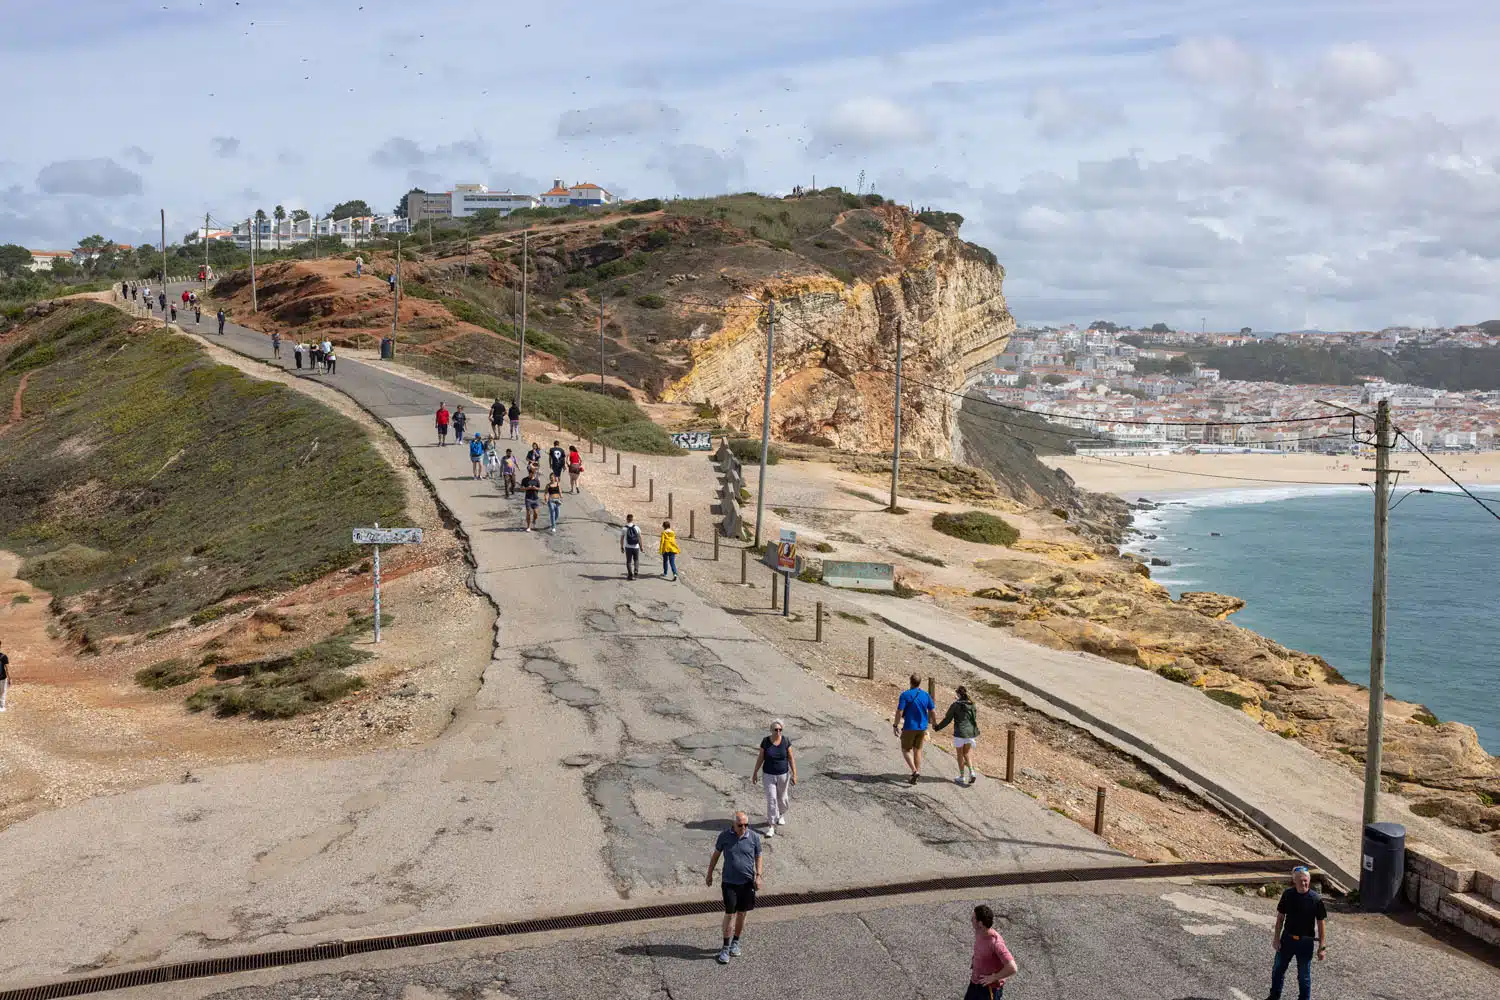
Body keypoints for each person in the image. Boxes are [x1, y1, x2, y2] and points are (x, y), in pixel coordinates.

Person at [705, 811, 762, 965]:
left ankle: (735, 941)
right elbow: (716, 856)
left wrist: (759, 875)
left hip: (747, 883)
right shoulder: (724, 836)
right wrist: (709, 874)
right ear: (733, 825)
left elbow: (758, 855)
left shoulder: (754, 837)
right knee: (730, 913)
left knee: (742, 913)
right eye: (740, 825)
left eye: (746, 824)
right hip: (729, 882)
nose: (743, 827)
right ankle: (725, 947)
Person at [1265, 865, 1327, 1000]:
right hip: (1287, 939)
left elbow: (1321, 923)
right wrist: (1276, 938)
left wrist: (1322, 947)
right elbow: (1280, 918)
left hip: (1306, 942)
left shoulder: (1316, 900)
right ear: (1294, 881)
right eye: (1300, 881)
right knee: (1278, 970)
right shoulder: (1287, 895)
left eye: (1306, 880)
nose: (1303, 883)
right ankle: (1274, 996)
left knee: (1304, 976)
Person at [750, 719, 796, 835]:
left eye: (780, 729)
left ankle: (781, 814)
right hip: (768, 775)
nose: (778, 731)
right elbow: (761, 757)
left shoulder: (785, 741)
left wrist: (794, 774)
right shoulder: (765, 742)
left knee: (783, 798)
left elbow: (791, 758)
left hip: (783, 775)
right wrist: (755, 772)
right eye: (776, 729)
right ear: (771, 730)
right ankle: (771, 825)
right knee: (772, 799)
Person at [891, 673, 936, 784]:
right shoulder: (925, 695)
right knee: (918, 750)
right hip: (922, 728)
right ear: (920, 682)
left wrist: (895, 725)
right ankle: (917, 773)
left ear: (910, 681)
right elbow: (932, 711)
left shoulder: (905, 695)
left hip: (909, 727)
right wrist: (934, 723)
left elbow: (900, 711)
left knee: (906, 750)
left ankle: (914, 771)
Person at [967, 904, 1018, 999]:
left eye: (973, 918)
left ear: (980, 923)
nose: (971, 920)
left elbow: (1012, 968)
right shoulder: (979, 932)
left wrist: (994, 977)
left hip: (988, 989)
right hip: (975, 983)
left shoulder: (996, 944)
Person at [934, 685, 981, 785]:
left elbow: (948, 719)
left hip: (960, 732)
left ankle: (962, 776)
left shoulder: (955, 705)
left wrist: (938, 727)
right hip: (970, 733)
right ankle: (972, 772)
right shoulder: (972, 705)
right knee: (967, 754)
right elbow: (974, 718)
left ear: (958, 694)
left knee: (960, 754)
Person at [621, 513, 642, 579]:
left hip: (628, 547)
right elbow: (640, 537)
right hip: (636, 546)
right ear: (632, 519)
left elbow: (622, 539)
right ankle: (636, 570)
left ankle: (630, 575)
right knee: (636, 559)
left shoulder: (624, 528)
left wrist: (621, 547)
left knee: (628, 561)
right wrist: (641, 546)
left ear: (627, 519)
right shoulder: (636, 527)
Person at [520, 466, 542, 531]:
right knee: (528, 513)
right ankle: (528, 526)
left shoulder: (536, 480)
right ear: (529, 473)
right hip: (528, 498)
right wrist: (527, 488)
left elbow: (539, 488)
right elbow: (521, 488)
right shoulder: (525, 480)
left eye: (534, 474)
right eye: (531, 474)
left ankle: (534, 520)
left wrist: (535, 488)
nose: (532, 475)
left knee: (536, 513)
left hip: (535, 498)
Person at [0, 638, 9, 712]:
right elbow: (7, 669)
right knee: (3, 692)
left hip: (2, 678)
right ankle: (2, 707)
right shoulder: (3, 656)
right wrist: (9, 678)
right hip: (2, 678)